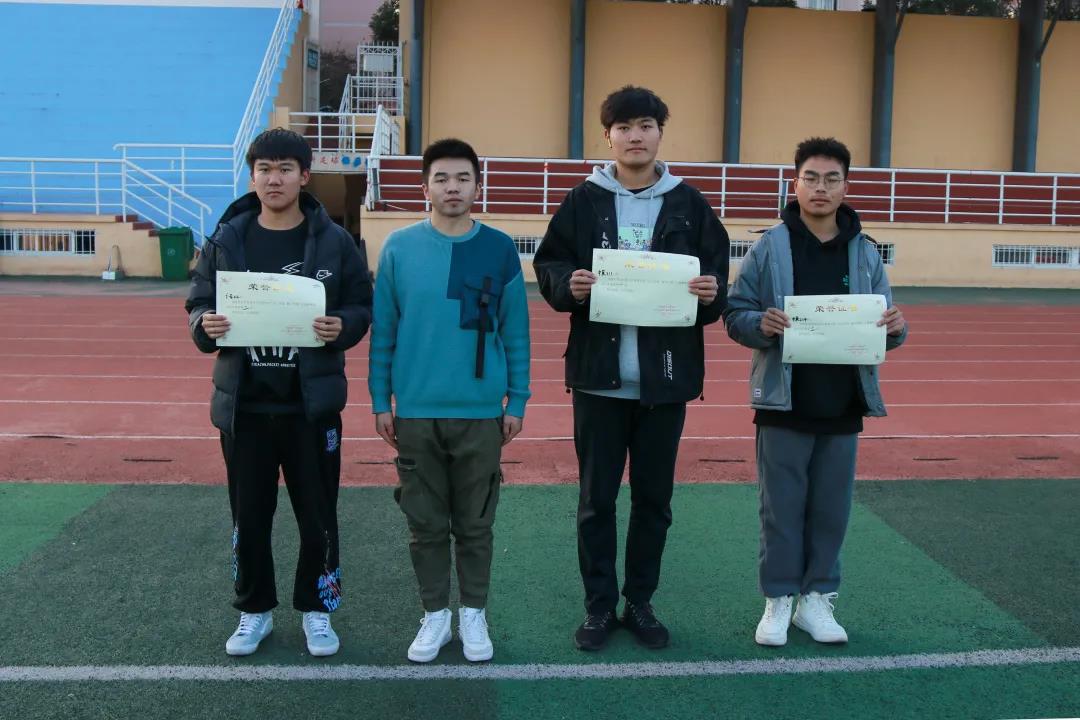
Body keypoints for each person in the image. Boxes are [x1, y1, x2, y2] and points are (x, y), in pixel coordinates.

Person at [533, 86, 729, 652]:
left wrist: (711, 293)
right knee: (596, 501)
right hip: (599, 378)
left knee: (653, 502)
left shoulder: (690, 204)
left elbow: (715, 282)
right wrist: (566, 284)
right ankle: (598, 607)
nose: (635, 136)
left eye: (646, 125)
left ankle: (639, 602)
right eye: (624, 127)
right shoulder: (583, 201)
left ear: (660, 133)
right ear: (608, 136)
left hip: (664, 381)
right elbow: (550, 264)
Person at [184, 128, 373, 657]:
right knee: (249, 517)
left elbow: (362, 303)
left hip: (310, 407)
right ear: (252, 177)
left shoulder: (335, 240)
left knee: (318, 516)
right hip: (245, 406)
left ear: (304, 176)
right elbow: (198, 303)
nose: (274, 179)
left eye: (286, 168)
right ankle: (255, 610)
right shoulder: (226, 239)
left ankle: (317, 609)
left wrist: (344, 325)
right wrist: (205, 325)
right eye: (265, 169)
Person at [723, 137, 908, 647]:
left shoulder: (865, 252)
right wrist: (760, 323)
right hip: (784, 400)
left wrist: (896, 327)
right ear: (795, 183)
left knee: (830, 509)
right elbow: (735, 313)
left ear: (846, 186)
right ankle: (779, 598)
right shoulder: (769, 246)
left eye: (831, 179)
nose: (820, 188)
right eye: (811, 178)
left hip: (843, 401)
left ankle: (817, 599)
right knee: (780, 508)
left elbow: (887, 322)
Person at [368, 138, 531, 663]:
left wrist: (517, 401)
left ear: (477, 186)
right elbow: (384, 332)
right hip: (415, 413)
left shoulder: (499, 249)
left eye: (463, 178)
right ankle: (435, 614)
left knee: (477, 523)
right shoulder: (398, 248)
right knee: (425, 524)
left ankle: (474, 613)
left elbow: (516, 333)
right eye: (441, 178)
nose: (452, 187)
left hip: (481, 414)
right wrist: (380, 399)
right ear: (425, 187)